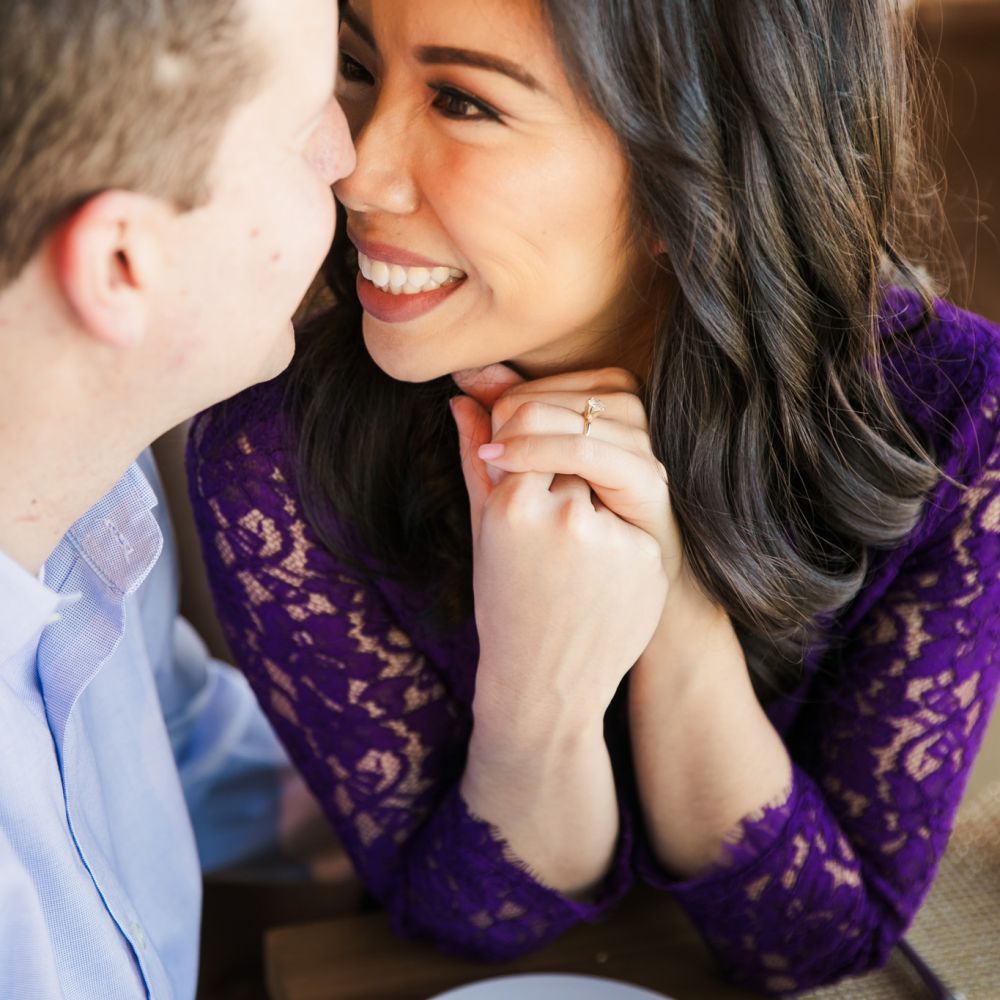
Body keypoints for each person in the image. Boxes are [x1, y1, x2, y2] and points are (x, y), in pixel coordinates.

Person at [187, 0, 1000, 993]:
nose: (354, 165)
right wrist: (539, 704)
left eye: (459, 99)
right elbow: (473, 923)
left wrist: (675, 612)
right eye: (356, 64)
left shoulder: (957, 412)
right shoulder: (273, 450)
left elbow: (818, 939)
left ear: (695, 174)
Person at [0, 0, 355, 996]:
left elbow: (179, 745)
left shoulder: (89, 485)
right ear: (121, 263)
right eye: (303, 124)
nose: (348, 155)